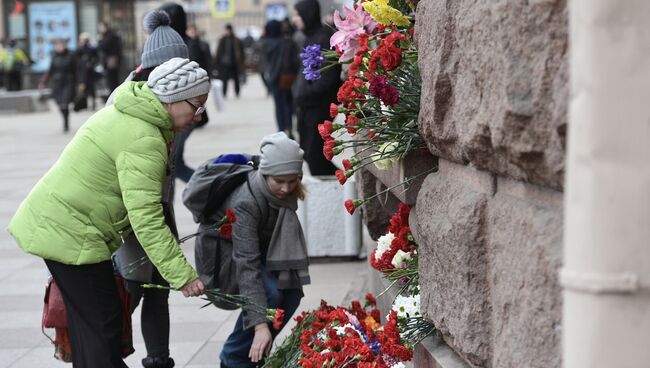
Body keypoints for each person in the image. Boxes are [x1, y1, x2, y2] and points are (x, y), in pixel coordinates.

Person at [8, 57, 208, 368]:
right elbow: (146, 217)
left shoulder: (131, 112)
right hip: (71, 233)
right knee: (103, 327)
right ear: (171, 98)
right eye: (196, 105)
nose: (198, 115)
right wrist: (182, 275)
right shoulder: (144, 137)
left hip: (64, 227)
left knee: (94, 328)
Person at [106, 9, 190, 368]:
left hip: (159, 206)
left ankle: (158, 359)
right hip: (130, 213)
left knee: (158, 290)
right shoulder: (127, 102)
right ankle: (105, 355)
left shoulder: (165, 98)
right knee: (132, 288)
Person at [189, 132, 309, 368]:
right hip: (222, 255)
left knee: (292, 293)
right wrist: (260, 325)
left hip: (252, 249)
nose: (286, 188)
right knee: (272, 294)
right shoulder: (247, 201)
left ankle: (254, 354)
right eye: (279, 181)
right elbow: (247, 264)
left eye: (292, 180)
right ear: (265, 174)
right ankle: (233, 358)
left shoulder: (280, 196)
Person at [160, 2, 208, 182]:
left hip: (182, 111)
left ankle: (208, 189)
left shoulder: (184, 46)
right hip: (177, 110)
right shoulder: (177, 44)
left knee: (174, 166)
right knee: (171, 166)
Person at [292, 0, 342, 175]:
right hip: (307, 106)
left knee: (316, 156)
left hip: (318, 107)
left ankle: (334, 192)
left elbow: (326, 79)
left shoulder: (322, 38)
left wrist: (305, 93)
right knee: (309, 153)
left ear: (308, 15)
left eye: (298, 14)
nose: (295, 19)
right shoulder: (310, 36)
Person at [261, 20, 299, 138]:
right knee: (288, 102)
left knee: (278, 104)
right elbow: (295, 61)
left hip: (273, 77)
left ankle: (281, 129)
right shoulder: (287, 41)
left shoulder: (265, 43)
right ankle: (289, 127)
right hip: (286, 77)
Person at [39, 39, 76, 133]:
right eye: (57, 46)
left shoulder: (70, 56)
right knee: (59, 104)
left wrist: (80, 83)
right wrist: (44, 81)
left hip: (68, 82)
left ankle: (66, 123)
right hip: (57, 83)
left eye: (61, 45)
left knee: (65, 103)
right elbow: (50, 71)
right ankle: (64, 119)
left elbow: (76, 70)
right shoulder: (54, 56)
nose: (59, 47)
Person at [215, 24, 245, 98]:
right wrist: (216, 63)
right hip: (224, 64)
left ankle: (237, 92)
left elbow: (241, 51)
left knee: (236, 79)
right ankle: (224, 93)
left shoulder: (236, 40)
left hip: (234, 63)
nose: (227, 32)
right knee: (224, 79)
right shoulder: (222, 40)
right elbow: (218, 52)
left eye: (228, 30)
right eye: (226, 30)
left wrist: (241, 61)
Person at [74, 33, 99, 110]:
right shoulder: (79, 49)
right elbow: (76, 58)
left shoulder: (91, 48)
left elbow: (96, 58)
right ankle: (84, 104)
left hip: (90, 72)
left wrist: (91, 63)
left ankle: (93, 104)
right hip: (82, 72)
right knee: (83, 88)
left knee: (91, 88)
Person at [97, 21, 123, 96]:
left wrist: (100, 40)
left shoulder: (110, 36)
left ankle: (114, 96)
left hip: (111, 62)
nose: (100, 29)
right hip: (110, 62)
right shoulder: (109, 35)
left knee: (112, 80)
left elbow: (103, 46)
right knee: (112, 80)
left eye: (101, 27)